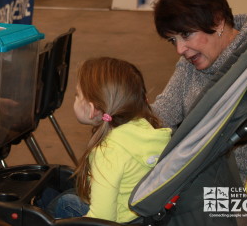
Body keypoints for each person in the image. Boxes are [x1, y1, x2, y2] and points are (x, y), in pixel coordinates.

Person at [152, 0, 247, 184]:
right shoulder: (191, 63)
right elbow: (162, 114)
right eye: (172, 40)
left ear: (218, 20)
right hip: (196, 185)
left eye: (186, 34)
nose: (179, 49)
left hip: (246, 196)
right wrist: (120, 117)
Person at [41, 57, 171, 223]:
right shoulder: (149, 130)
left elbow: (102, 220)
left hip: (120, 220)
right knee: (69, 195)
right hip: (143, 218)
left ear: (92, 109)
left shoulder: (108, 151)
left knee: (64, 202)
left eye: (76, 95)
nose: (74, 98)